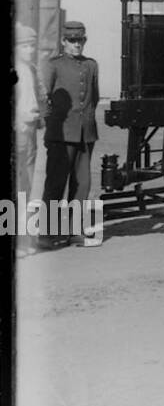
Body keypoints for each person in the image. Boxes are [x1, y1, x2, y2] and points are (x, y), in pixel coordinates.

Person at [41, 20, 100, 247]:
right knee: (56, 183)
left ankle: (75, 230)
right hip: (61, 134)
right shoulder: (54, 65)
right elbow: (44, 98)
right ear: (63, 42)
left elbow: (93, 98)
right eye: (72, 41)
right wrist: (52, 128)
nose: (77, 45)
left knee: (82, 183)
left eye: (81, 40)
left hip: (86, 134)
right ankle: (47, 233)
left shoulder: (91, 65)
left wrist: (88, 125)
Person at [15, 24, 45, 252]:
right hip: (17, 132)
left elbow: (40, 96)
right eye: (25, 45)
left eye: (33, 45)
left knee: (26, 186)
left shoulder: (32, 69)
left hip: (30, 131)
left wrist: (40, 117)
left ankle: (24, 238)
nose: (30, 50)